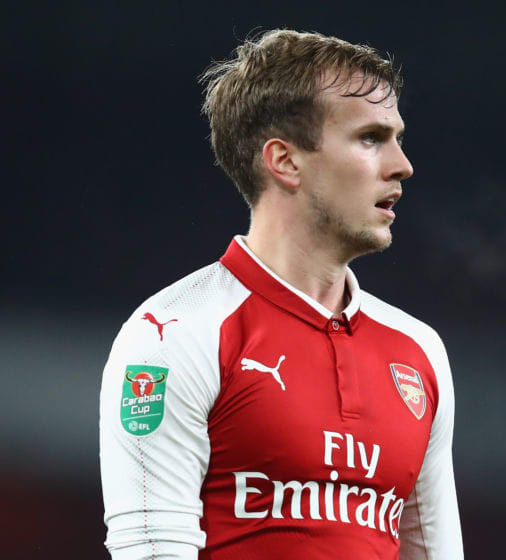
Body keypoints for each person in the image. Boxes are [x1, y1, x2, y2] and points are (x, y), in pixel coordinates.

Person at [99, 29, 463, 560]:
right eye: (370, 138)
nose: (401, 164)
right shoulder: (170, 336)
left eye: (398, 138)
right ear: (285, 161)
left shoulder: (419, 351)